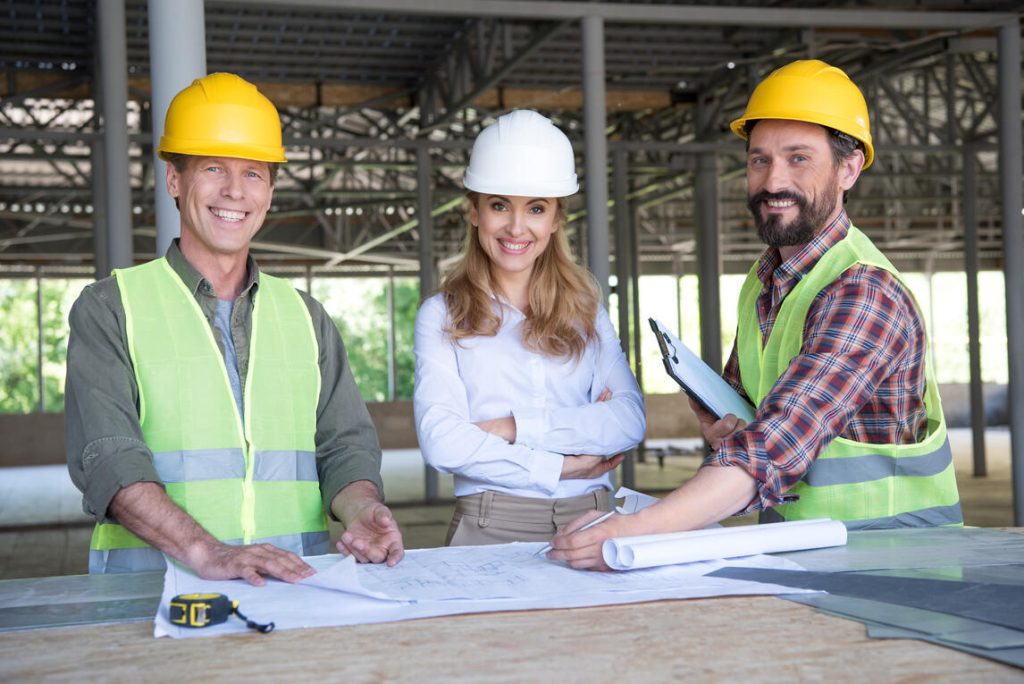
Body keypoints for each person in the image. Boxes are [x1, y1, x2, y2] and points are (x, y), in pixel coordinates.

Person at [550, 59, 962, 570]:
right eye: (759, 160)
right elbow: (755, 421)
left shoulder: (864, 291)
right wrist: (727, 418)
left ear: (849, 168)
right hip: (805, 552)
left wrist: (633, 532)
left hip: (895, 563)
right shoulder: (763, 282)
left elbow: (770, 446)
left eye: (798, 159)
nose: (774, 181)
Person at [65, 73, 404, 584]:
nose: (233, 191)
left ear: (269, 190)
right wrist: (208, 552)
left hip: (295, 587)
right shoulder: (111, 308)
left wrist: (361, 509)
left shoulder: (306, 317)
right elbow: (109, 460)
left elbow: (344, 446)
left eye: (252, 173)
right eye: (213, 168)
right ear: (175, 180)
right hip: (149, 593)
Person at [413, 109, 646, 545]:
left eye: (535, 208)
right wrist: (560, 464)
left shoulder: (587, 310)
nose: (516, 227)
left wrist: (509, 428)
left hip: (593, 520)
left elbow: (628, 421)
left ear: (556, 218)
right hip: (489, 524)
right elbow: (443, 444)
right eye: (500, 205)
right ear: (475, 211)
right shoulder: (442, 315)